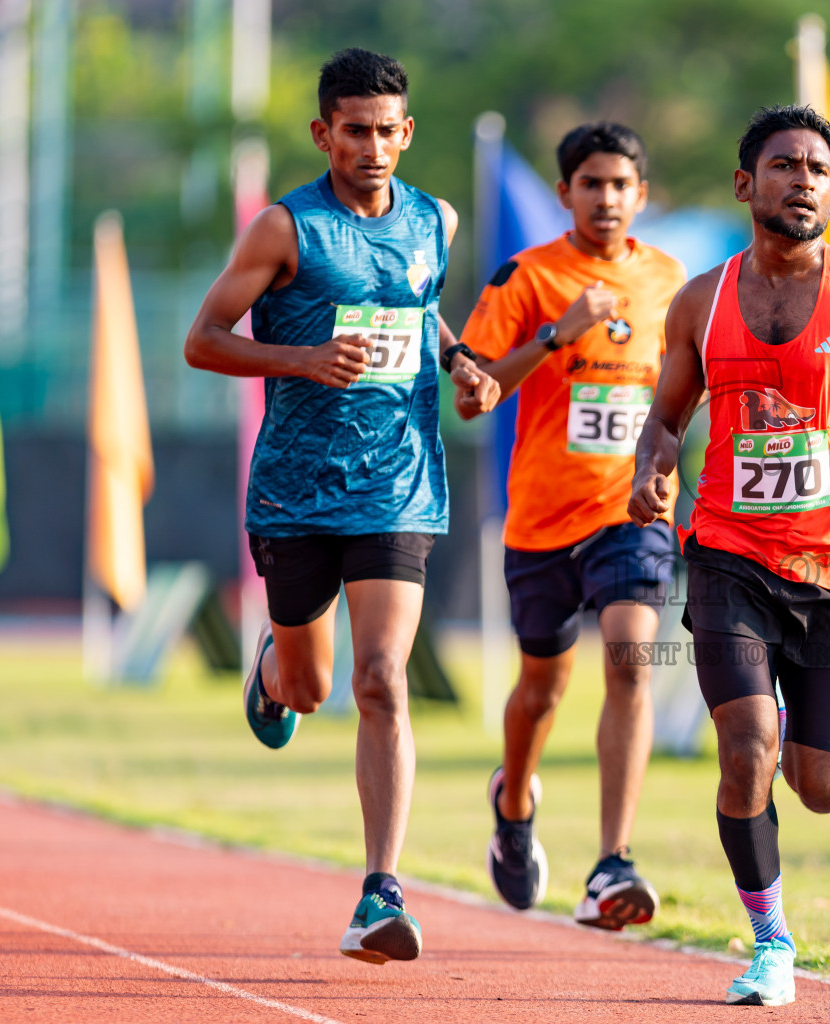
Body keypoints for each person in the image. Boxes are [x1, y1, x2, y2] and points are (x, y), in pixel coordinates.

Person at [629, 105, 830, 1006]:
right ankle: (772, 941)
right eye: (784, 165)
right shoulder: (702, 300)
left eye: (817, 169)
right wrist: (653, 467)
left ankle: (790, 829)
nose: (803, 180)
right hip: (728, 552)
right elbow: (665, 417)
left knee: (821, 788)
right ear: (747, 184)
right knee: (747, 747)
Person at [183, 48, 499, 965]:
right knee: (313, 688)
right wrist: (301, 358)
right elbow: (204, 341)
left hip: (400, 483)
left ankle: (379, 891)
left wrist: (461, 362)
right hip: (295, 489)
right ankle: (274, 665)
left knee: (381, 680)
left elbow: (423, 309)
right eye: (353, 130)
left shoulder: (435, 219)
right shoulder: (285, 229)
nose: (372, 146)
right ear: (324, 133)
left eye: (386, 130)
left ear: (407, 132)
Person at [457, 122, 685, 930]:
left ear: (642, 195)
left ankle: (612, 863)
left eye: (622, 184)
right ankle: (513, 802)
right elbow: (473, 386)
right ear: (565, 193)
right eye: (592, 183)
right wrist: (558, 335)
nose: (608, 198)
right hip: (541, 519)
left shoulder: (671, 282)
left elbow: (690, 392)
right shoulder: (529, 276)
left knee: (630, 665)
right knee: (541, 688)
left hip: (632, 514)